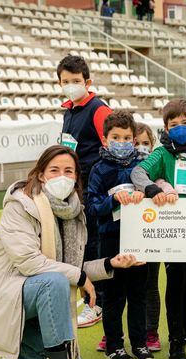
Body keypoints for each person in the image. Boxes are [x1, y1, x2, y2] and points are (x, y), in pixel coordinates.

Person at [0, 145, 141, 359]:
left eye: (69, 171)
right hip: (5, 296)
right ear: (40, 175)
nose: (62, 176)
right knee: (55, 282)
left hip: (39, 296)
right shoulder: (19, 206)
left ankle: (6, 344)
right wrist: (79, 277)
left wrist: (111, 264)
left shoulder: (73, 211)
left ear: (76, 177)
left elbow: (73, 265)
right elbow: (30, 262)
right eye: (54, 170)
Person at [131, 99, 186, 359]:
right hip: (172, 230)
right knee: (175, 282)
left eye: (185, 123)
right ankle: (175, 340)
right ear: (165, 128)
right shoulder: (162, 154)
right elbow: (138, 172)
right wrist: (152, 189)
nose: (180, 128)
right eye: (173, 124)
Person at [88, 111, 153, 359]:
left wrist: (143, 195)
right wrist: (112, 199)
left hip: (139, 238)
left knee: (138, 294)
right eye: (116, 137)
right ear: (105, 139)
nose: (122, 142)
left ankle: (140, 343)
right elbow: (92, 206)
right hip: (110, 238)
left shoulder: (142, 166)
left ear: (134, 139)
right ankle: (114, 345)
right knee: (113, 296)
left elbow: (153, 192)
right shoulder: (99, 169)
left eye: (127, 137)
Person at [57, 55, 112, 329]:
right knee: (78, 246)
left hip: (94, 187)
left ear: (87, 82)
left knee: (93, 245)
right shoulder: (68, 112)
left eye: (75, 81)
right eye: (65, 81)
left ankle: (98, 304)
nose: (70, 86)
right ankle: (90, 298)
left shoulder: (98, 109)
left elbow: (111, 148)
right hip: (74, 187)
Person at [134, 122, 176, 352]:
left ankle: (151, 332)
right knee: (123, 288)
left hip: (152, 238)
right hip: (125, 239)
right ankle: (120, 333)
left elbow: (167, 190)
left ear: (152, 147)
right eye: (135, 143)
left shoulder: (157, 175)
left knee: (150, 285)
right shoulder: (120, 172)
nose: (140, 148)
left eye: (145, 144)